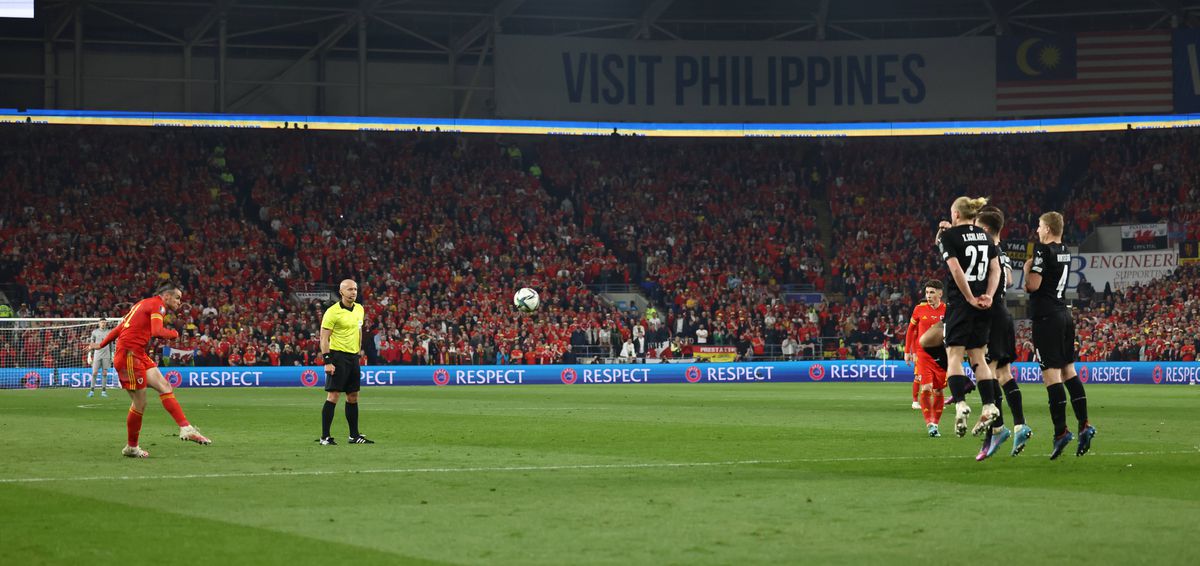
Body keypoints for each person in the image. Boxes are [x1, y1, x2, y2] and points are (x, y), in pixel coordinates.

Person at [85, 283, 211, 458]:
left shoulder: (142, 303)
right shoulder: (158, 305)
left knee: (165, 386)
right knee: (140, 403)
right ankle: (131, 447)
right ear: (166, 296)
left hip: (138, 354)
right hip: (129, 355)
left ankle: (186, 428)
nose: (179, 302)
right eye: (177, 298)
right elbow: (157, 331)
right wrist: (174, 334)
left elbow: (120, 327)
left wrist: (101, 344)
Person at [1024, 212, 1095, 459]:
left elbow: (1032, 285)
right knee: (1069, 372)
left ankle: (1060, 432)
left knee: (1051, 377)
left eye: (1040, 226)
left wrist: (1027, 269)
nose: (1038, 230)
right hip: (1064, 315)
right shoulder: (1065, 250)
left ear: (1048, 228)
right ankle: (1084, 424)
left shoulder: (1043, 251)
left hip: (1047, 319)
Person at [936, 196, 1002, 441]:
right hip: (984, 305)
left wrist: (970, 297)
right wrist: (988, 296)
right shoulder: (986, 236)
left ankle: (961, 403)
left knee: (954, 354)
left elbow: (955, 269)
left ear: (955, 214)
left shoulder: (949, 237)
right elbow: (995, 270)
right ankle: (988, 405)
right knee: (978, 356)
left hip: (961, 303)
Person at [973, 206, 1030, 459]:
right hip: (1005, 315)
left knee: (986, 374)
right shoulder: (1003, 252)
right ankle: (1020, 424)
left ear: (985, 229)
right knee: (1004, 374)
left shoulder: (988, 251)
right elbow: (1008, 280)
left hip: (991, 316)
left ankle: (996, 429)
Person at [317, 279, 373, 445]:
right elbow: (324, 338)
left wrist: (358, 351)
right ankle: (325, 437)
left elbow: (359, 330)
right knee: (333, 395)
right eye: (349, 289)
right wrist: (327, 361)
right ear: (341, 292)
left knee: (353, 396)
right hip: (337, 356)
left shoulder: (360, 309)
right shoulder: (332, 312)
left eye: (355, 289)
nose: (353, 292)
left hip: (353, 357)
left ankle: (354, 436)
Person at [905, 280, 947, 437]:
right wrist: (908, 350)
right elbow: (911, 329)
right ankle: (929, 423)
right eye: (927, 293)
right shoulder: (919, 309)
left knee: (938, 390)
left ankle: (936, 423)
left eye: (932, 292)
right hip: (923, 354)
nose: (928, 296)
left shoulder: (948, 310)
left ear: (940, 293)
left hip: (941, 355)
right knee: (927, 388)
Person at [87, 318, 113, 397]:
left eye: (104, 322)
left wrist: (112, 354)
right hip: (97, 354)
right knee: (94, 372)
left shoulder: (109, 332)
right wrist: (89, 355)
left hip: (106, 355)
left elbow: (111, 344)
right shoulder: (95, 332)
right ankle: (91, 391)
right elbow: (91, 343)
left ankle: (103, 391)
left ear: (106, 323)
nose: (103, 324)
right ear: (99, 323)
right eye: (102, 322)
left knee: (104, 373)